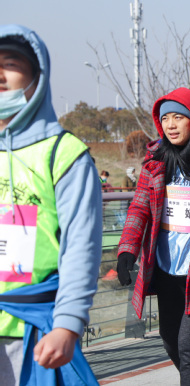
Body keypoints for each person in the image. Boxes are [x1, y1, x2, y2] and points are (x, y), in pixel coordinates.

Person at [0, 24, 102, 385]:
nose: (0, 74)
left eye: (10, 64)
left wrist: (68, 324)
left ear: (37, 77)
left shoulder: (63, 153)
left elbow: (81, 245)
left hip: (30, 329)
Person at [116, 88, 190, 386]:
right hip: (166, 267)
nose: (171, 125)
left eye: (178, 117)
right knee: (170, 338)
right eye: (165, 118)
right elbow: (139, 207)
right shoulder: (156, 159)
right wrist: (127, 250)